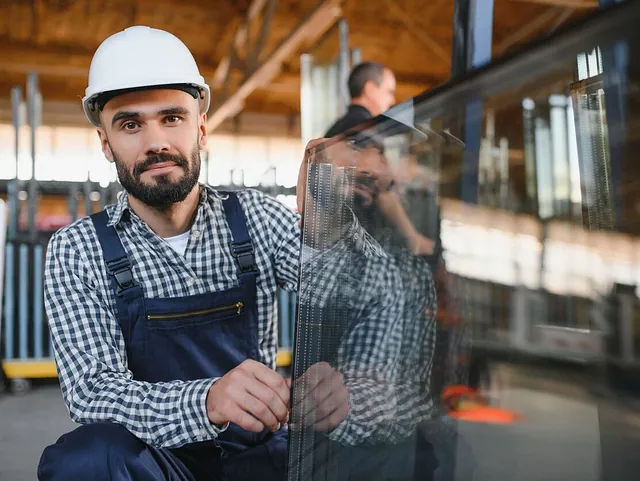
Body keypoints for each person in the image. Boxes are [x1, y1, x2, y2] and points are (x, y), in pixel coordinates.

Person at [37, 25, 347, 481]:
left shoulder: (257, 219)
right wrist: (207, 401)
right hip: (155, 463)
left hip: (257, 451)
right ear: (106, 143)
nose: (155, 142)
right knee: (86, 460)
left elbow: (351, 293)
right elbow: (93, 392)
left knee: (402, 446)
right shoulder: (77, 249)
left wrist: (331, 231)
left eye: (172, 118)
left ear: (201, 129)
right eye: (129, 124)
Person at [325, 62, 397, 137]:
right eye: (389, 92)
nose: (392, 101)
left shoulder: (333, 129)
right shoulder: (370, 130)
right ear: (370, 89)